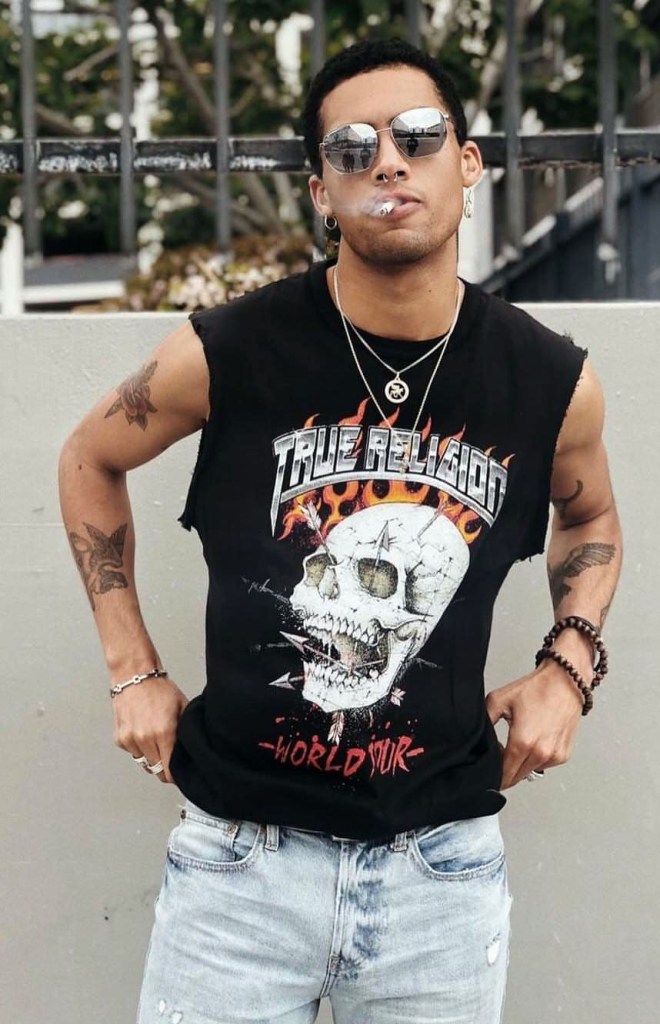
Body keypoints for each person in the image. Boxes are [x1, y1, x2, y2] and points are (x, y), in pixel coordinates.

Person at [59, 37, 621, 1024]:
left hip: (439, 874)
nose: (388, 162)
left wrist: (567, 664)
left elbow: (592, 514)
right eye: (353, 148)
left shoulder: (549, 380)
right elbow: (87, 459)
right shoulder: (229, 349)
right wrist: (130, 666)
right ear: (322, 191)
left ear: (469, 163)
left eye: (418, 136)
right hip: (239, 866)